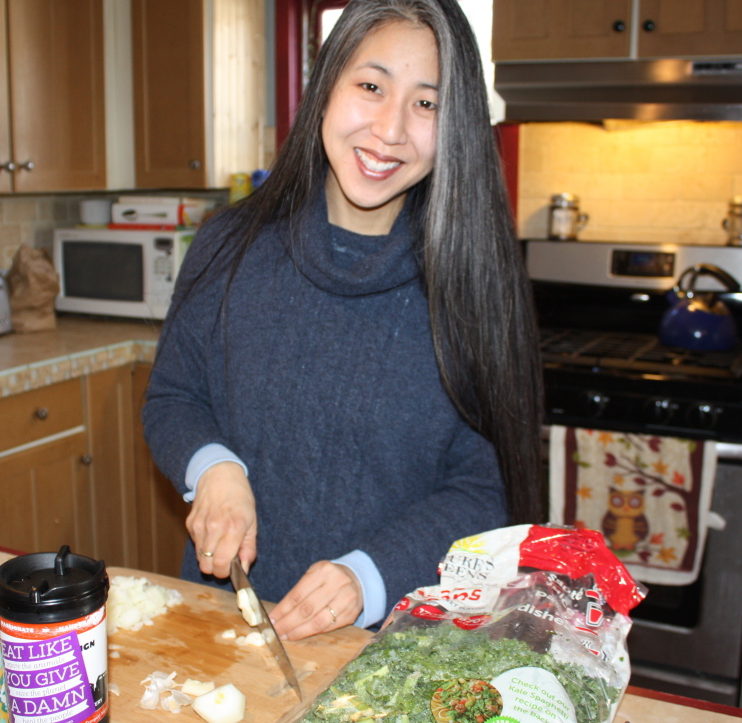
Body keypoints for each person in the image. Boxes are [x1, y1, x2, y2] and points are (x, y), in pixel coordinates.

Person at [142, 0, 544, 642]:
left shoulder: (476, 284)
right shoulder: (228, 244)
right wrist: (212, 468)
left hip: (393, 644)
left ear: (457, 124)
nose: (389, 130)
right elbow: (173, 396)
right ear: (326, 88)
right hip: (226, 625)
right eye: (370, 86)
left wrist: (368, 576)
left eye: (427, 104)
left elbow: (486, 491)